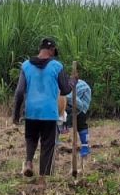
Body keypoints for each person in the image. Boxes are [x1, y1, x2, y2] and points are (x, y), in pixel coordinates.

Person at [12, 37, 74, 186]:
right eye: (53, 52)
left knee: (31, 139)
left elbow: (19, 92)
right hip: (49, 112)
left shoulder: (26, 66)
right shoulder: (57, 66)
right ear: (51, 50)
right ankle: (42, 180)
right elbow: (65, 89)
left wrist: (16, 114)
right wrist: (73, 81)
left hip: (31, 111)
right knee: (47, 144)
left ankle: (28, 162)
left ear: (40, 49)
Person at [59, 71, 93, 159]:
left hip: (82, 97)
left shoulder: (67, 92)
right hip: (71, 101)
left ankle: (85, 146)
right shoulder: (59, 88)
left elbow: (79, 105)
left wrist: (67, 119)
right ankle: (56, 141)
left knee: (81, 122)